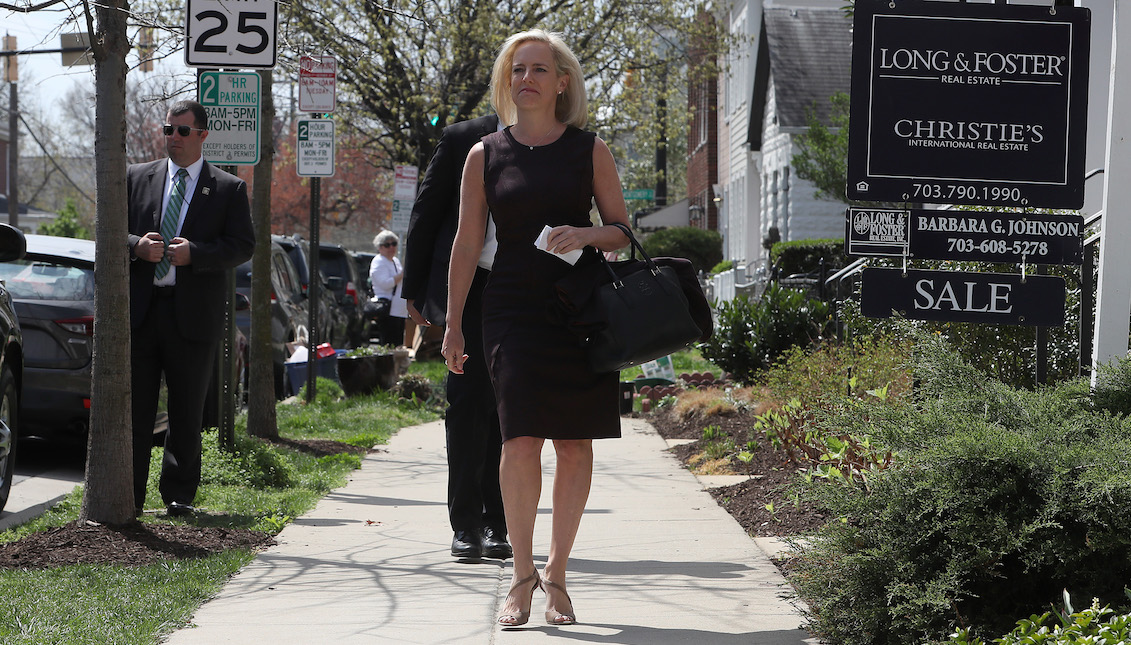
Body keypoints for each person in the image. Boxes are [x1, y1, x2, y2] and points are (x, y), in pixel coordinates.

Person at [442, 29, 630, 627]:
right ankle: (520, 577)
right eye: (517, 69)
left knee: (574, 444)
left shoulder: (589, 150)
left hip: (577, 309)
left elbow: (624, 232)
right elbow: (468, 242)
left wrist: (587, 234)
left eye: (539, 69)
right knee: (519, 439)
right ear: (507, 80)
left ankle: (558, 576)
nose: (527, 78)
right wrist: (452, 324)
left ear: (561, 82)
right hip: (511, 308)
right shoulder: (485, 154)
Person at [127, 100, 255, 517]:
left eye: (183, 131)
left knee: (185, 409)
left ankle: (179, 495)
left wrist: (195, 255)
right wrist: (137, 247)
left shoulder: (227, 188)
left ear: (202, 135)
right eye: (169, 130)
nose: (174, 139)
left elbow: (242, 246)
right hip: (143, 311)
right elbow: (110, 231)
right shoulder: (137, 178)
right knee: (136, 408)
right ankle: (128, 494)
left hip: (192, 315)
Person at [402, 113, 512, 561]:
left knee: (509, 412)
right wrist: (414, 287)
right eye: (515, 71)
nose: (524, 80)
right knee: (468, 405)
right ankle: (467, 524)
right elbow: (427, 209)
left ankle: (498, 524)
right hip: (471, 285)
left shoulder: (555, 135)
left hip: (528, 289)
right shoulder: (464, 137)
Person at [368, 231, 409, 347]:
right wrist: (402, 274)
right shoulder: (379, 261)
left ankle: (396, 364)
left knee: (398, 343)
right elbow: (385, 283)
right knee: (388, 343)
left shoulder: (395, 261)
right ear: (380, 247)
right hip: (388, 309)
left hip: (399, 310)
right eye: (387, 245)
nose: (391, 247)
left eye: (394, 244)